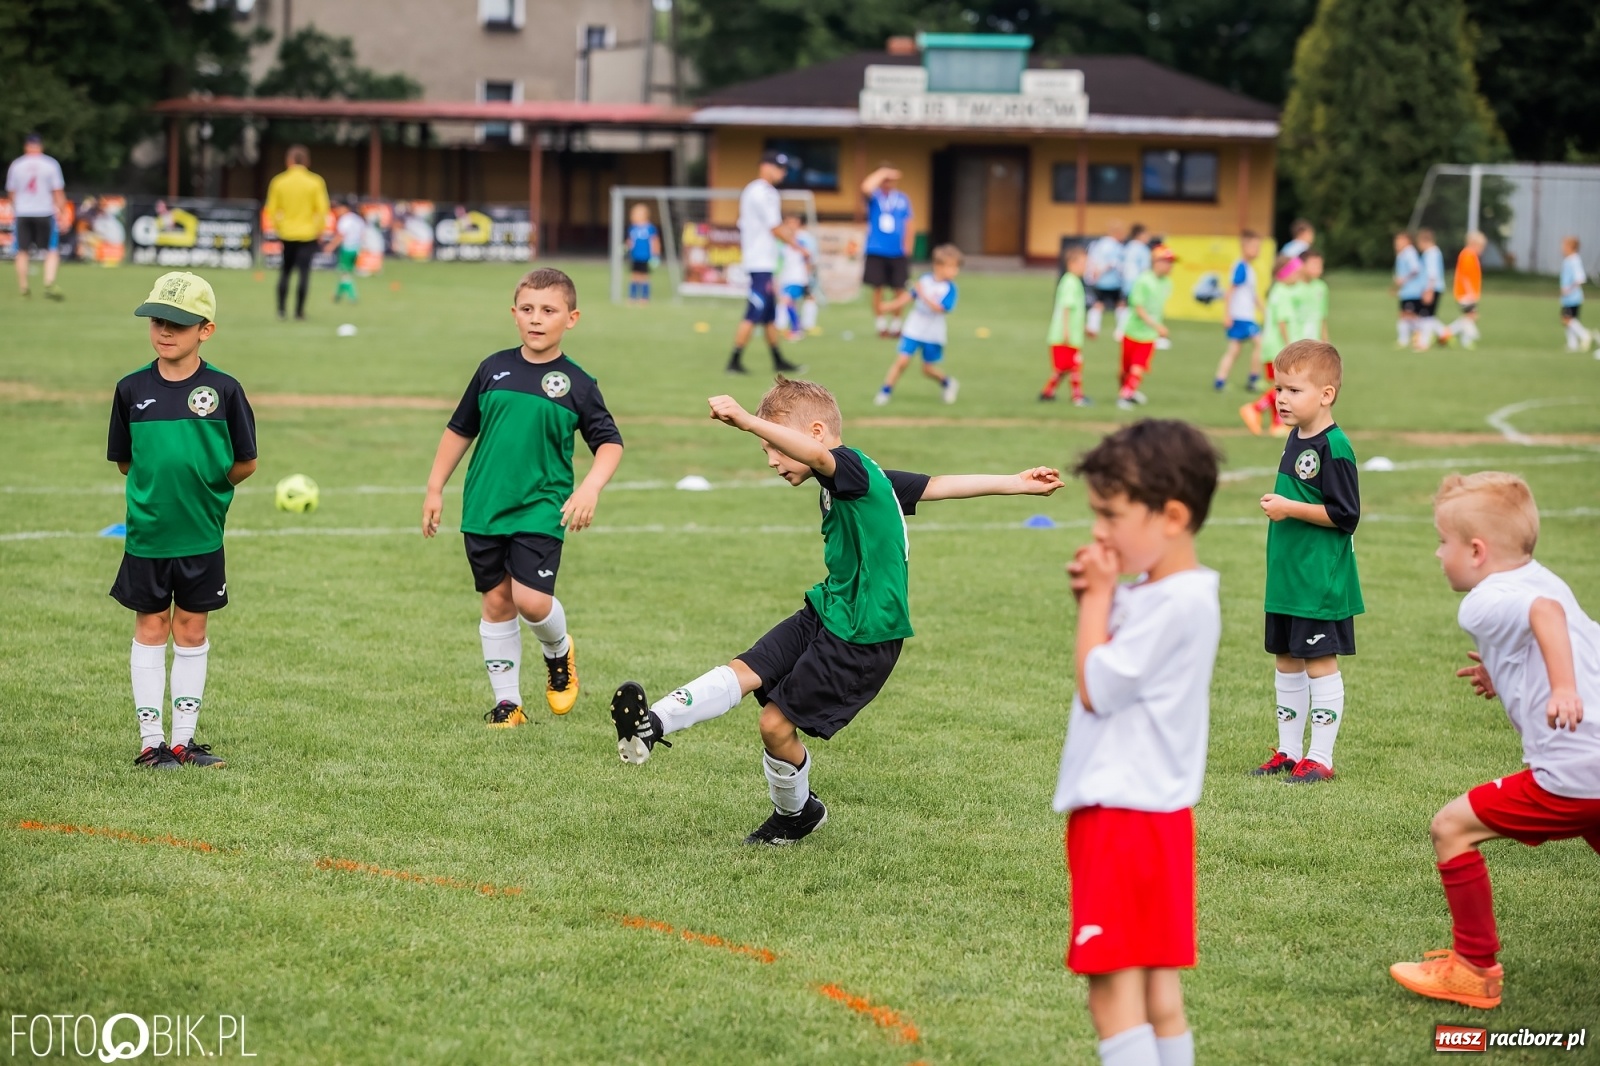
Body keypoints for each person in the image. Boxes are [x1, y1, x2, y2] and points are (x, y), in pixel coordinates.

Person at [609, 376, 1064, 844]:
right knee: (744, 670)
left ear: (816, 433)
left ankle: (797, 815)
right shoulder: (861, 476)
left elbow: (821, 457)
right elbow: (936, 484)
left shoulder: (847, 467)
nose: (771, 460)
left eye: (776, 447)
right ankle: (651, 725)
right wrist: (1016, 483)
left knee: (774, 726)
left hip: (863, 634)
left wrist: (746, 420)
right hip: (829, 609)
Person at [1389, 472, 1600, 1010]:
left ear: (1477, 551)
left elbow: (1544, 617)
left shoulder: (1481, 603)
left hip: (1572, 772)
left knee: (1450, 827)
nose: (1439, 554)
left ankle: (1474, 969)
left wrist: (1562, 688)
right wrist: (1504, 672)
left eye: (1443, 541)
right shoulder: (1544, 577)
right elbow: (1556, 625)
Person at [1056, 419, 1222, 1066]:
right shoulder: (1170, 593)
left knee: (1113, 999)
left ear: (1172, 517)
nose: (1098, 530)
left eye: (1111, 514)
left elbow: (1097, 686)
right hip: (1156, 817)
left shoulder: (1174, 603)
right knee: (1158, 994)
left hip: (1122, 817)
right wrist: (1102, 596)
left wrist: (1095, 600)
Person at [422, 268, 624, 726]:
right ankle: (508, 704)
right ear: (514, 314)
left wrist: (589, 487)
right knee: (496, 601)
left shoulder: (578, 383)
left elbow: (610, 443)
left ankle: (558, 652)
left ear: (571, 319)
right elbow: (459, 430)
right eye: (528, 309)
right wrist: (435, 488)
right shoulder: (492, 369)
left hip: (542, 505)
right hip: (485, 504)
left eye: (549, 310)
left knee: (531, 600)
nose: (536, 319)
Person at [109, 271, 257, 769]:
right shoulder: (130, 390)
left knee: (192, 630)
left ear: (205, 330)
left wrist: (208, 490)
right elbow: (126, 461)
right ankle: (151, 742)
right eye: (157, 321)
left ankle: (183, 742)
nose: (164, 331)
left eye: (177, 322)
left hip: (201, 534)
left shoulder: (225, 390)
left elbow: (246, 461)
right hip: (149, 535)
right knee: (151, 626)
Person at [1250, 340, 1363, 784]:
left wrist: (1288, 508)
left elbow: (1346, 515)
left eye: (1294, 390)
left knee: (1318, 662)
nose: (1281, 398)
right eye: (1279, 388)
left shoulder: (1335, 447)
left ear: (1326, 394)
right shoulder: (1297, 437)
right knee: (1285, 659)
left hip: (1318, 581)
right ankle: (1288, 751)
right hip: (1287, 578)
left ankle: (1320, 757)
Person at [728, 151, 803, 375]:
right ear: (765, 166)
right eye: (779, 168)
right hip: (760, 263)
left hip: (762, 262)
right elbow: (775, 227)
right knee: (754, 312)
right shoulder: (765, 192)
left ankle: (778, 360)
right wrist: (799, 246)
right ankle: (734, 361)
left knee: (769, 316)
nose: (783, 173)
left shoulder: (752, 190)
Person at [875, 244, 961, 406]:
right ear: (938, 266)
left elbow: (940, 308)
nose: (955, 271)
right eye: (951, 267)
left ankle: (947, 382)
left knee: (927, 369)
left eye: (956, 267)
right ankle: (885, 391)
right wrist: (889, 306)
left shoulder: (950, 289)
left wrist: (923, 295)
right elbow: (908, 297)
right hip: (914, 328)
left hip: (933, 333)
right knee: (902, 361)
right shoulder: (925, 280)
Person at [264, 145, 330, 321]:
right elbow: (322, 210)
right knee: (304, 273)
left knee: (285, 272)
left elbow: (271, 210)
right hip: (308, 234)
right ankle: (299, 312)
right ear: (307, 161)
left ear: (289, 161)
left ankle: (281, 310)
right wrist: (319, 230)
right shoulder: (315, 182)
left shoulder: (279, 181)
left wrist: (279, 227)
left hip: (287, 233)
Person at [1238, 258, 1302, 437]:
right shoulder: (1282, 294)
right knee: (1283, 387)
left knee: (1281, 386)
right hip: (1278, 348)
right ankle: (1255, 408)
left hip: (1274, 347)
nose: (1298, 276)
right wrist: (1291, 347)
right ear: (1285, 273)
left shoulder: (1279, 291)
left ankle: (1277, 424)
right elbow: (1282, 322)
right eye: (1295, 272)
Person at [6, 133, 67, 300]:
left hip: (23, 212)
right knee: (51, 250)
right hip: (44, 212)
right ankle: (49, 283)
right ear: (41, 146)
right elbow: (58, 191)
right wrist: (63, 212)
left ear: (26, 146)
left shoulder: (17, 165)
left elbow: (11, 192)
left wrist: (16, 208)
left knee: (22, 251)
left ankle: (24, 288)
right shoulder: (50, 164)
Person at [1117, 246, 1175, 410]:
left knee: (1138, 366)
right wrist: (1157, 325)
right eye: (1167, 262)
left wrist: (1156, 328)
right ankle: (1127, 391)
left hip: (1148, 335)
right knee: (1125, 370)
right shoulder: (1143, 281)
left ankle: (1125, 397)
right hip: (1132, 330)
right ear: (1156, 262)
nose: (1170, 266)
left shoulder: (1167, 283)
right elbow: (1138, 307)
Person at [860, 164, 913, 338]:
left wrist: (908, 246)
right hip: (876, 250)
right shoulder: (875, 197)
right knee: (878, 289)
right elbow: (865, 187)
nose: (888, 183)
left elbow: (908, 223)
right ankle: (881, 325)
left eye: (891, 180)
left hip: (897, 251)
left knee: (899, 289)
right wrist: (882, 172)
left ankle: (897, 326)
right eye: (885, 180)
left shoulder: (902, 198)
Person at [1212, 230, 1263, 392]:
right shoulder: (1241, 267)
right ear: (1244, 247)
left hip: (1244, 316)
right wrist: (1226, 315)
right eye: (1254, 247)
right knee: (1260, 343)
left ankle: (1220, 380)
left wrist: (1264, 311)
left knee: (1234, 350)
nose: (1257, 250)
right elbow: (1230, 291)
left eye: (1258, 247)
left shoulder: (1248, 268)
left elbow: (1253, 295)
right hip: (1241, 316)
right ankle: (1253, 380)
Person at [1041, 244, 1089, 404]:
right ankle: (1077, 397)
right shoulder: (1070, 282)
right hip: (1065, 335)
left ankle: (1047, 392)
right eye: (1083, 263)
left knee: (1063, 367)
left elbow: (1076, 312)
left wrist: (1083, 328)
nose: (1085, 267)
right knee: (1075, 365)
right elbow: (1066, 308)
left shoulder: (1074, 281)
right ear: (1072, 263)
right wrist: (1066, 331)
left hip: (1072, 333)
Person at [775, 210, 817, 342]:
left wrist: (807, 276)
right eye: (789, 223)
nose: (791, 225)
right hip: (787, 276)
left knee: (788, 300)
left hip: (798, 277)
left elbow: (808, 257)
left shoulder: (803, 240)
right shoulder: (782, 241)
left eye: (794, 222)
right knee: (789, 301)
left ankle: (797, 329)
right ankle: (792, 327)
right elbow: (780, 260)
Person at [1084, 222, 1126, 340]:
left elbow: (1091, 260)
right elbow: (1113, 263)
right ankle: (1121, 331)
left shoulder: (1098, 244)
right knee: (1120, 304)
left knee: (1098, 304)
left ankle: (1093, 328)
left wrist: (1093, 274)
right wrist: (1101, 271)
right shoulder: (1115, 246)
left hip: (1099, 281)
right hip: (1112, 282)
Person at [1446, 231, 1486, 350]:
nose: (1482, 249)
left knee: (1469, 317)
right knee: (1471, 316)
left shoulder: (1470, 255)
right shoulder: (1468, 255)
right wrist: (1470, 292)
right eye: (1481, 246)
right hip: (1465, 293)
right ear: (1474, 244)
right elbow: (1465, 276)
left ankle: (1463, 340)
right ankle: (1448, 333)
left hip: (1466, 292)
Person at [1112, 224, 1150, 341]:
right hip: (1138, 283)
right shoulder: (1143, 249)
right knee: (1137, 308)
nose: (1148, 237)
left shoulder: (1127, 247)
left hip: (1125, 282)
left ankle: (1120, 330)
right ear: (1139, 235)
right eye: (1146, 234)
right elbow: (1145, 269)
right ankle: (1125, 330)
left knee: (1124, 305)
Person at [1415, 228, 1447, 350]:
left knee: (1426, 315)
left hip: (1432, 288)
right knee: (1428, 315)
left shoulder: (1431, 253)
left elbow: (1432, 274)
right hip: (1431, 288)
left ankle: (1424, 342)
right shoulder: (1433, 252)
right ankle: (1443, 333)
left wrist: (1429, 290)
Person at [1558, 235, 1591, 353]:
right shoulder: (1568, 260)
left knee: (1567, 319)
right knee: (1568, 320)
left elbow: (1580, 278)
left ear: (1571, 247)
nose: (1562, 249)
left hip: (1573, 296)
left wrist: (1568, 289)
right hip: (1567, 297)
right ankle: (1572, 344)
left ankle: (1585, 334)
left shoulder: (1574, 260)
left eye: (1564, 246)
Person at [1392, 231, 1424, 349]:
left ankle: (1419, 336)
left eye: (1400, 241)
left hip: (1413, 291)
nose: (1397, 244)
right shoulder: (1402, 254)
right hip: (1406, 291)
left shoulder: (1409, 252)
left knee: (1410, 315)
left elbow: (1415, 269)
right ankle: (1405, 339)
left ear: (1407, 241)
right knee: (1404, 315)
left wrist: (1403, 280)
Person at [624, 203, 660, 305]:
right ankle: (633, 296)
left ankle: (644, 297)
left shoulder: (650, 228)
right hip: (635, 257)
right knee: (634, 276)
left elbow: (655, 242)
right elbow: (630, 241)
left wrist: (655, 255)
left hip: (646, 257)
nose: (633, 216)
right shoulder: (632, 228)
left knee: (644, 277)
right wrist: (626, 247)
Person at [333, 197, 364, 305]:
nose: (337, 210)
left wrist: (330, 247)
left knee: (345, 274)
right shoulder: (357, 219)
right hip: (356, 249)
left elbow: (341, 235)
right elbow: (362, 234)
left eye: (339, 207)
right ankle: (337, 296)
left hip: (347, 249)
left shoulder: (344, 220)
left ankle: (352, 296)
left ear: (345, 208)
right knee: (345, 273)